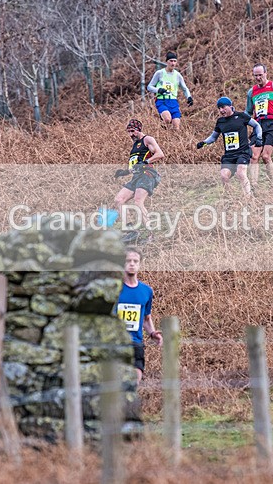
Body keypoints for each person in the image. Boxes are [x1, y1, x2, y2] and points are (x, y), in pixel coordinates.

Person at [114, 246, 162, 384]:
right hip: (115, 343)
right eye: (128, 260)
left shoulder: (146, 291)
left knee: (134, 382)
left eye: (135, 261)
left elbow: (146, 318)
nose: (132, 264)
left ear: (140, 264)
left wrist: (152, 333)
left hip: (136, 343)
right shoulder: (113, 288)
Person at [197, 96, 263, 196]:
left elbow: (257, 125)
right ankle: (229, 198)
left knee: (241, 173)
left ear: (230, 106)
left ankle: (248, 197)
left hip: (243, 152)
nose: (221, 110)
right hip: (229, 155)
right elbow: (213, 137)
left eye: (223, 107)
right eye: (219, 108)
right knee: (224, 176)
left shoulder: (241, 116)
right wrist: (204, 143)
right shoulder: (220, 122)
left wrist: (259, 138)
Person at [113, 119, 165, 241]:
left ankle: (151, 235)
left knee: (138, 202)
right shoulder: (134, 146)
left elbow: (160, 154)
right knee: (119, 200)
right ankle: (131, 231)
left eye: (133, 131)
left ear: (139, 130)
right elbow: (135, 165)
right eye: (128, 132)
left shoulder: (147, 139)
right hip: (136, 176)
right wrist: (124, 172)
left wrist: (145, 162)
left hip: (147, 174)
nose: (130, 134)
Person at [146, 51, 193, 130]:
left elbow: (185, 88)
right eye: (171, 61)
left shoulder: (177, 75)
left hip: (173, 101)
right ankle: (161, 125)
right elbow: (149, 87)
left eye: (174, 61)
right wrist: (158, 90)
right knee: (167, 119)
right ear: (167, 62)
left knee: (176, 127)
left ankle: (168, 135)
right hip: (162, 100)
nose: (173, 63)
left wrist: (189, 97)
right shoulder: (159, 73)